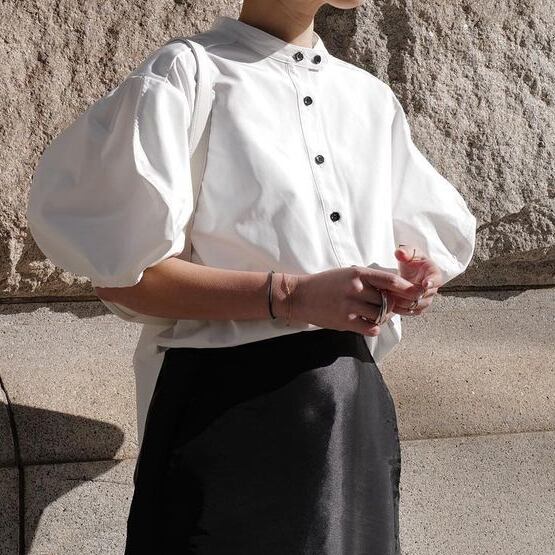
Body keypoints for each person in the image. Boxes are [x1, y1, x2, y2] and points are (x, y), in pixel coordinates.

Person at [26, 1, 477, 553]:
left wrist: (409, 282)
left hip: (349, 409)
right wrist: (292, 296)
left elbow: (416, 243)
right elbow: (122, 280)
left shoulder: (369, 100)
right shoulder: (190, 75)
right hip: (223, 410)